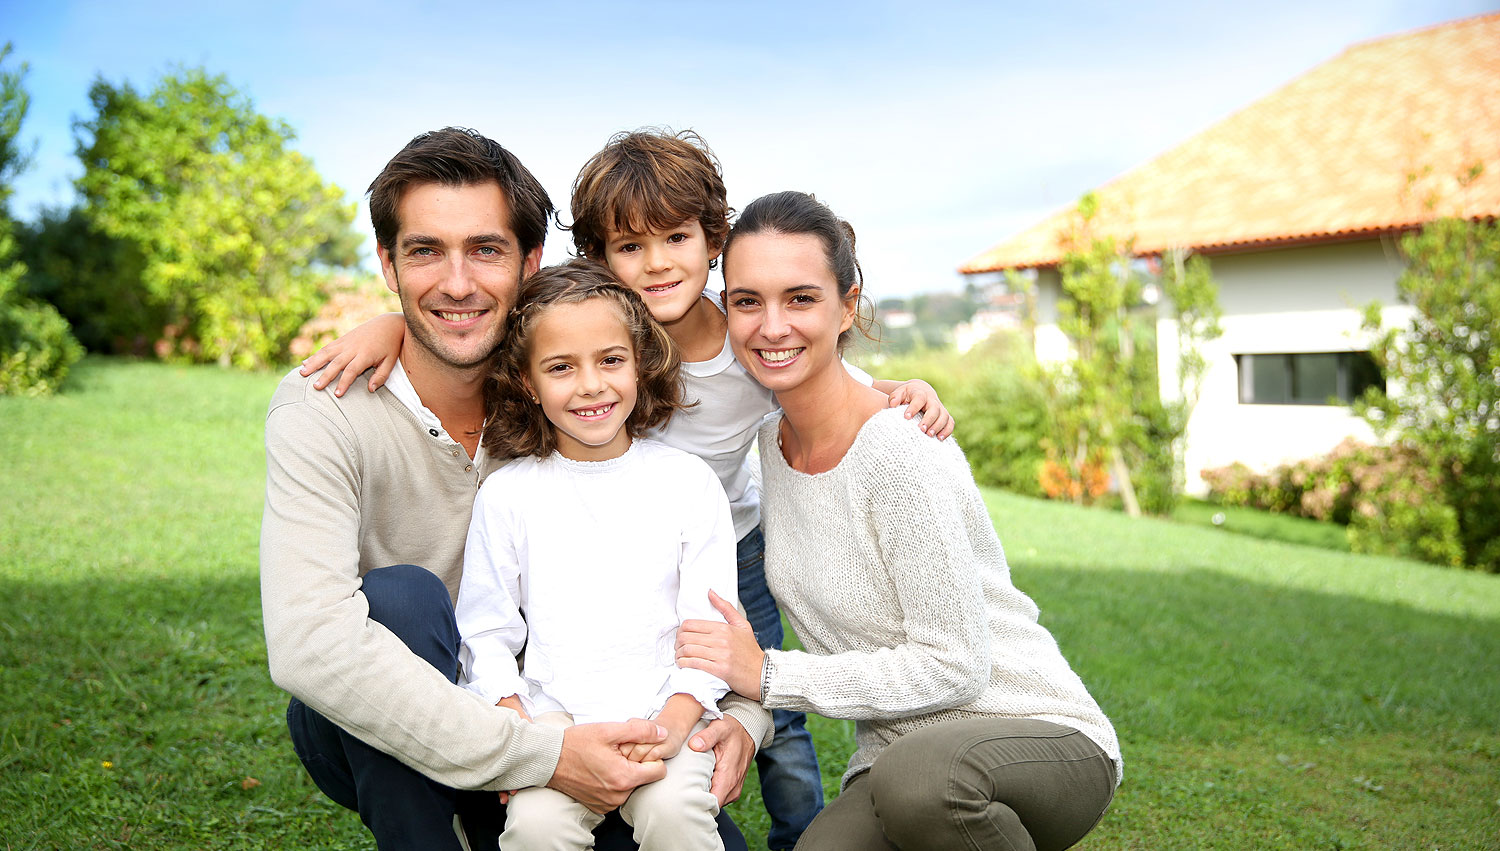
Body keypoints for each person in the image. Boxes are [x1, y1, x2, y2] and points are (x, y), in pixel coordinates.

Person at [300, 127, 954, 850]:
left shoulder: (745, 341)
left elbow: (816, 365)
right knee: (559, 811)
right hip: (574, 637)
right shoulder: (567, 356)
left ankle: (796, 833)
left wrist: (898, 390)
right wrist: (390, 326)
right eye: (629, 247)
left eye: (674, 238)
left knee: (768, 716)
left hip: (724, 552)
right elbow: (474, 327)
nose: (590, 382)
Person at [260, 127, 767, 851]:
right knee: (401, 597)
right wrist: (543, 754)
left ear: (530, 264)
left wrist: (743, 717)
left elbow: (693, 593)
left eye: (486, 250)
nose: (458, 283)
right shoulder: (324, 405)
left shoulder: (563, 380)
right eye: (425, 250)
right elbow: (311, 645)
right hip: (423, 729)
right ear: (387, 263)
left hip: (592, 718)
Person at [675, 191, 1123, 851]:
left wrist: (771, 674)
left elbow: (955, 666)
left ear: (846, 305)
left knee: (926, 782)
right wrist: (747, 712)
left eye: (800, 298)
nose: (771, 326)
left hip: (1034, 734)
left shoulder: (902, 446)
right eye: (747, 301)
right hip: (891, 762)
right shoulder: (770, 445)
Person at [460, 260, 739, 850]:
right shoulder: (509, 494)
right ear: (529, 383)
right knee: (536, 827)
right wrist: (521, 727)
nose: (591, 385)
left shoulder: (687, 482)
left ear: (639, 362)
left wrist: (674, 722)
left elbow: (708, 627)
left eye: (611, 360)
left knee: (676, 812)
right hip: (553, 721)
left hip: (669, 707)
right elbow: (485, 632)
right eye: (561, 367)